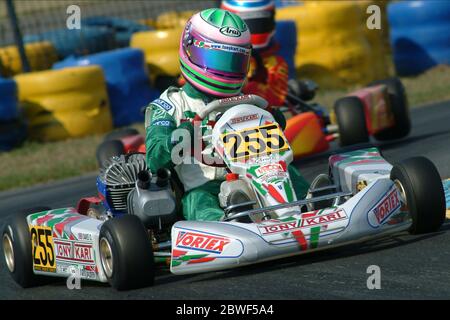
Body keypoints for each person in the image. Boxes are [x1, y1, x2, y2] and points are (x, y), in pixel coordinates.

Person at [145, 8, 309, 221]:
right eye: (216, 59)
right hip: (205, 186)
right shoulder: (170, 105)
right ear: (191, 50)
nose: (225, 70)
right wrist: (179, 137)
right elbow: (154, 159)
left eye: (233, 62)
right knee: (199, 202)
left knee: (288, 174)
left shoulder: (247, 100)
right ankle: (228, 224)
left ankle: (312, 203)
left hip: (256, 175)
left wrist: (273, 120)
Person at [221, 0, 289, 110]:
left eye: (259, 24)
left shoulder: (275, 64)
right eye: (246, 25)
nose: (254, 30)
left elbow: (274, 101)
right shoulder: (217, 58)